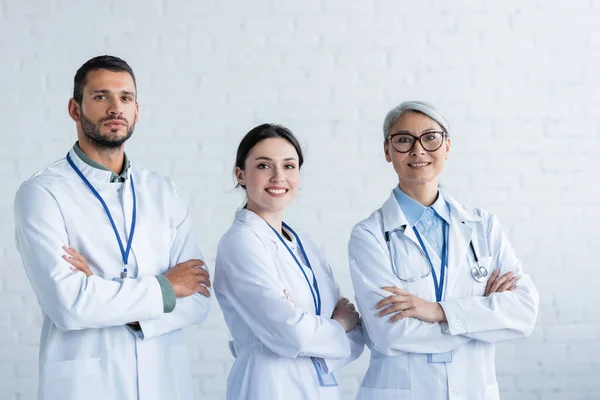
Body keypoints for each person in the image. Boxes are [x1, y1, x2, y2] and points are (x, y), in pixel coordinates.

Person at [14, 55, 211, 400]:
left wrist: (101, 290)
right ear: (75, 109)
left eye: (126, 98)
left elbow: (197, 297)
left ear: (137, 110)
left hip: (163, 383)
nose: (115, 108)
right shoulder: (43, 193)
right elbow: (69, 306)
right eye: (101, 96)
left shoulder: (163, 191)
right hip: (87, 384)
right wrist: (166, 289)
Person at [348, 101, 539, 400]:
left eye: (430, 137)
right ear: (387, 151)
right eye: (403, 140)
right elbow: (390, 335)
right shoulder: (369, 235)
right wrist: (481, 317)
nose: (418, 149)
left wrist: (437, 311)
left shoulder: (483, 226)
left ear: (447, 147)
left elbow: (523, 313)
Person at [214, 123, 364, 400]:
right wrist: (337, 325)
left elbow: (356, 337)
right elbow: (290, 334)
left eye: (289, 166)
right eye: (263, 166)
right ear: (240, 174)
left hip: (321, 387)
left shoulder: (304, 244)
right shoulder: (241, 243)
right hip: (267, 387)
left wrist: (317, 329)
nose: (278, 177)